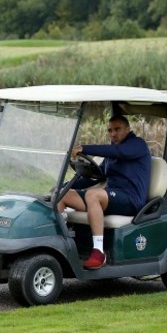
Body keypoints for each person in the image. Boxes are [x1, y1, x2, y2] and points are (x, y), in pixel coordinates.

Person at [57, 115, 151, 269]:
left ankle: (99, 252)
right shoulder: (111, 156)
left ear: (128, 129)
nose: (113, 134)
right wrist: (63, 186)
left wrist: (84, 148)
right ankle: (60, 244)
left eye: (117, 129)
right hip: (112, 197)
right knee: (61, 194)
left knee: (93, 194)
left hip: (131, 199)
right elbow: (94, 177)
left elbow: (119, 152)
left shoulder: (137, 145)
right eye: (110, 130)